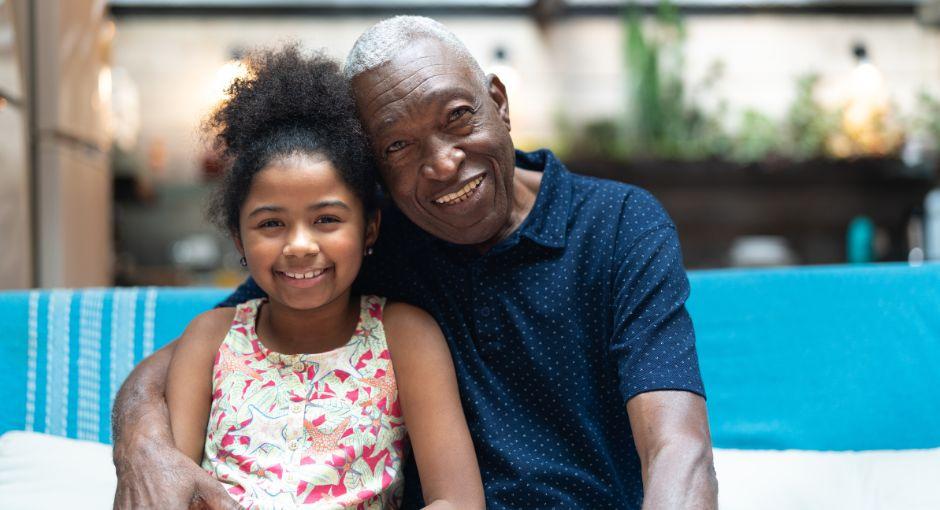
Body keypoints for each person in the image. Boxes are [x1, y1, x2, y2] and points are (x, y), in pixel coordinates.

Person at [112, 17, 718, 510]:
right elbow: (186, 360)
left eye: (457, 116)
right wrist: (144, 449)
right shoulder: (369, 244)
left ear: (498, 103)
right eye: (398, 146)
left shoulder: (617, 226)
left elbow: (677, 448)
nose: (443, 163)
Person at [153, 45, 483, 509]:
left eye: (327, 219)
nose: (300, 245)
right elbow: (169, 489)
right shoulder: (210, 339)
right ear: (238, 238)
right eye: (271, 224)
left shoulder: (405, 335)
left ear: (369, 227)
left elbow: (458, 500)